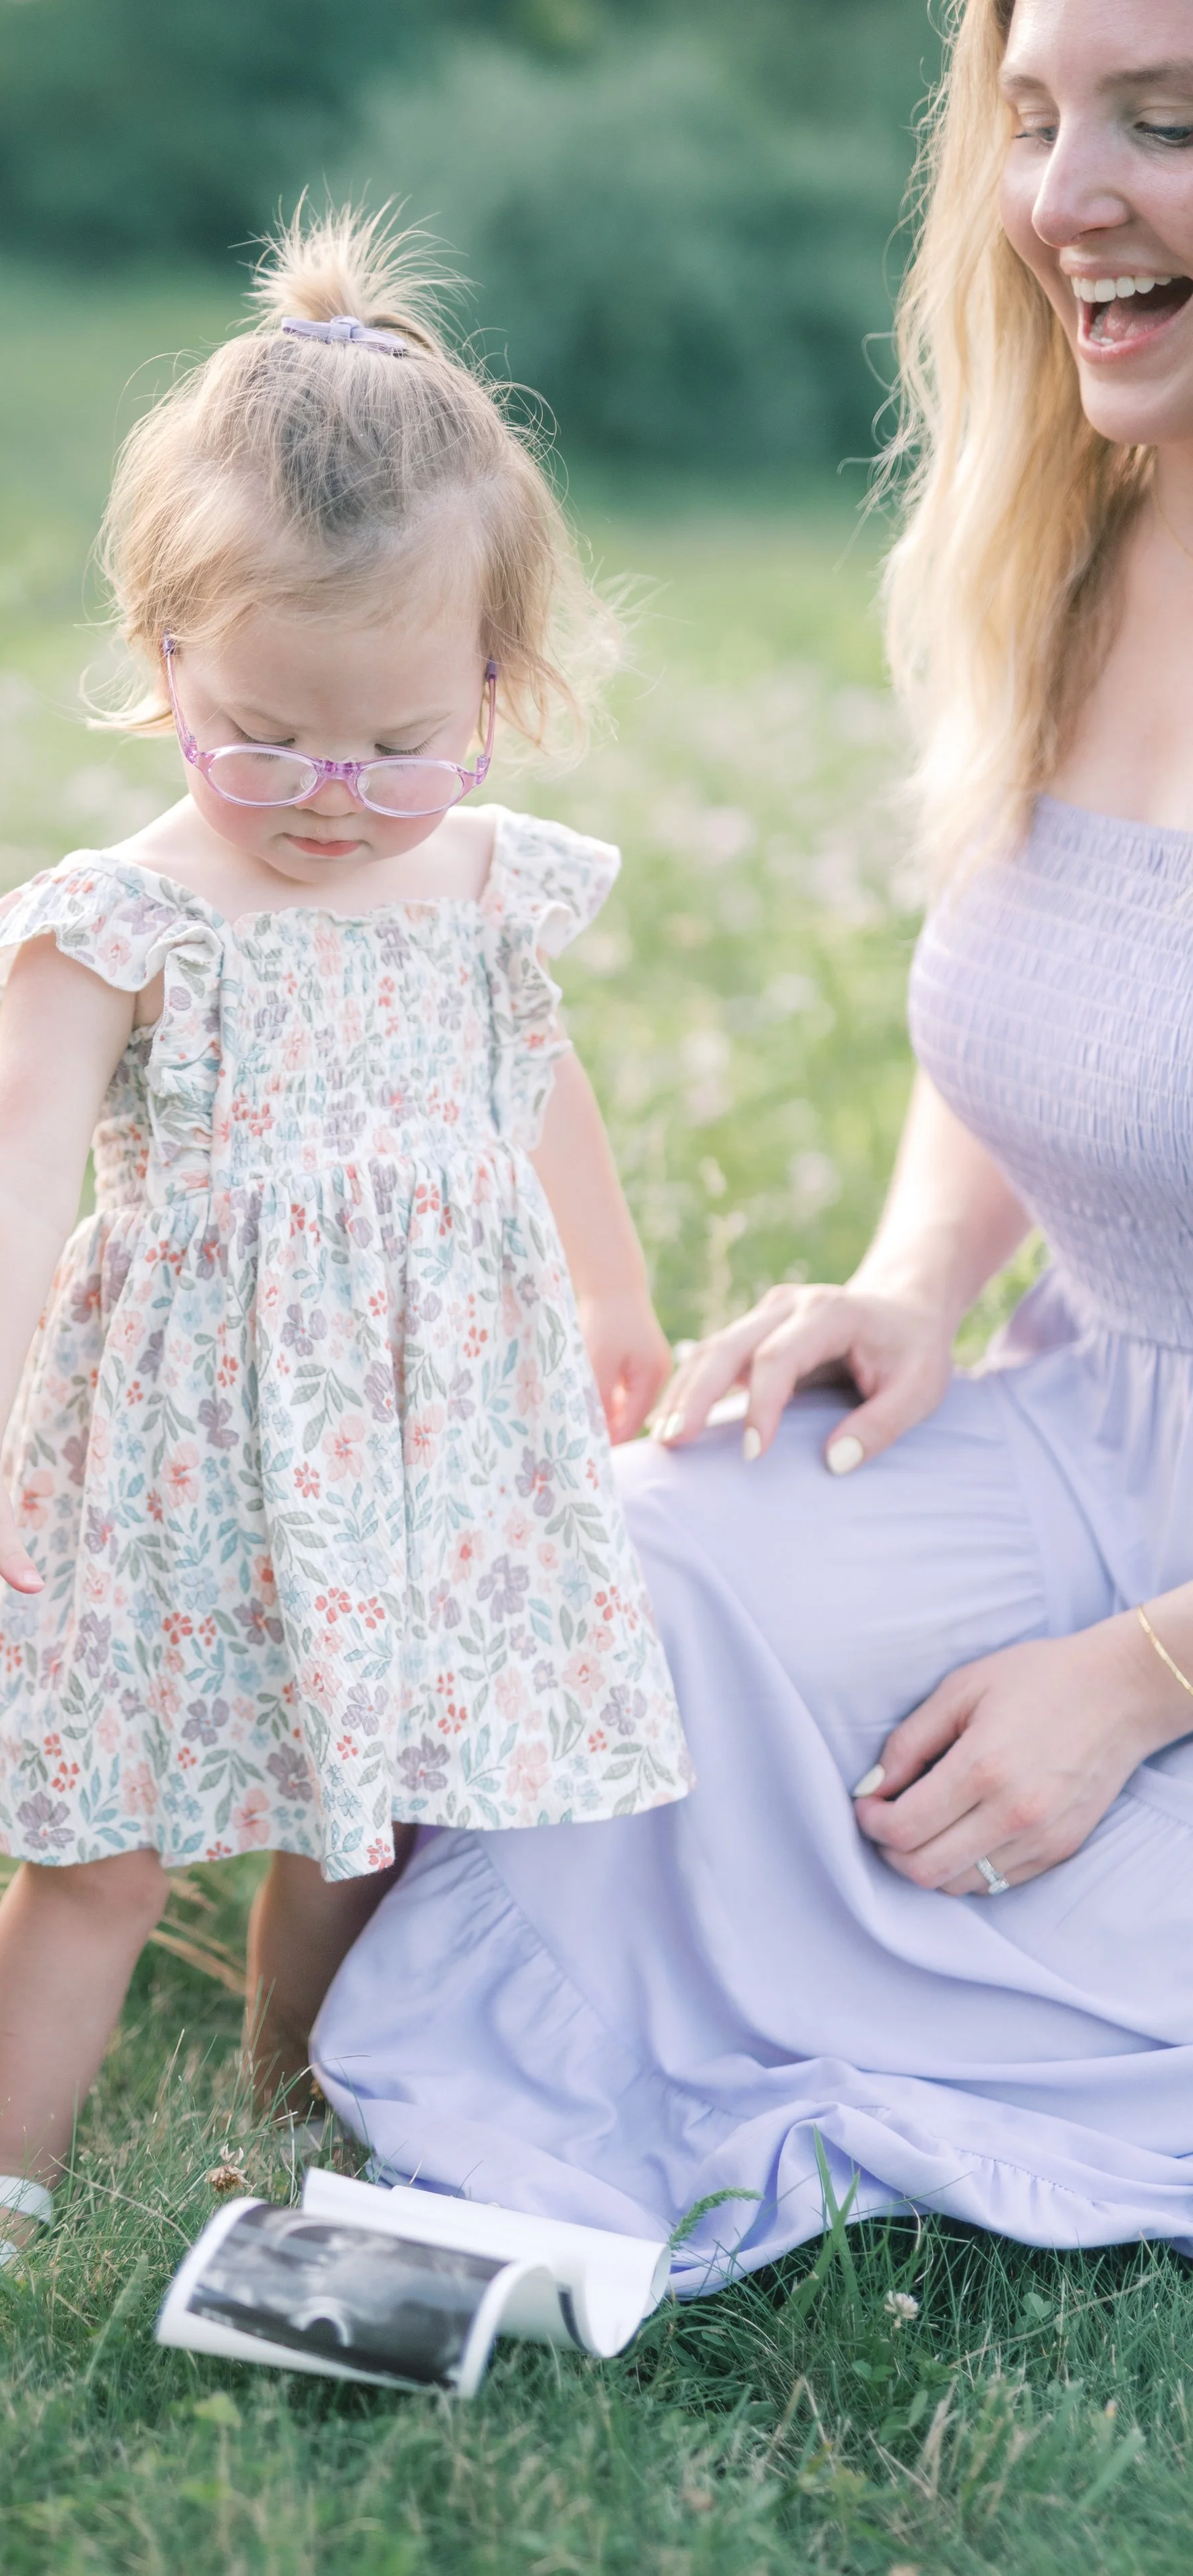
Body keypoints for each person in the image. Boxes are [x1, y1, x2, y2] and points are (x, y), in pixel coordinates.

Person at [314, 0, 1193, 2288]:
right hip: (1095, 1424)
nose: (1062, 201)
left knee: (1024, 1889)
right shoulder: (1085, 550)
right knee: (614, 1561)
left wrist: (1146, 1677)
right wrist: (913, 1280)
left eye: (1162, 124)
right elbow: (1062, 997)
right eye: (1026, 123)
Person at [0, 212, 691, 2262]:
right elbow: (7, 1182)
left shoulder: (486, 886)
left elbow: (539, 1087)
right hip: (172, 1445)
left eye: (398, 746)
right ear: (162, 658)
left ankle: (302, 2123)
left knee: (365, 1807)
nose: (329, 796)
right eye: (262, 732)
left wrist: (609, 1292)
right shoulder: (125, 915)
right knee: (105, 1841)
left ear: (492, 688)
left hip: (415, 1436)